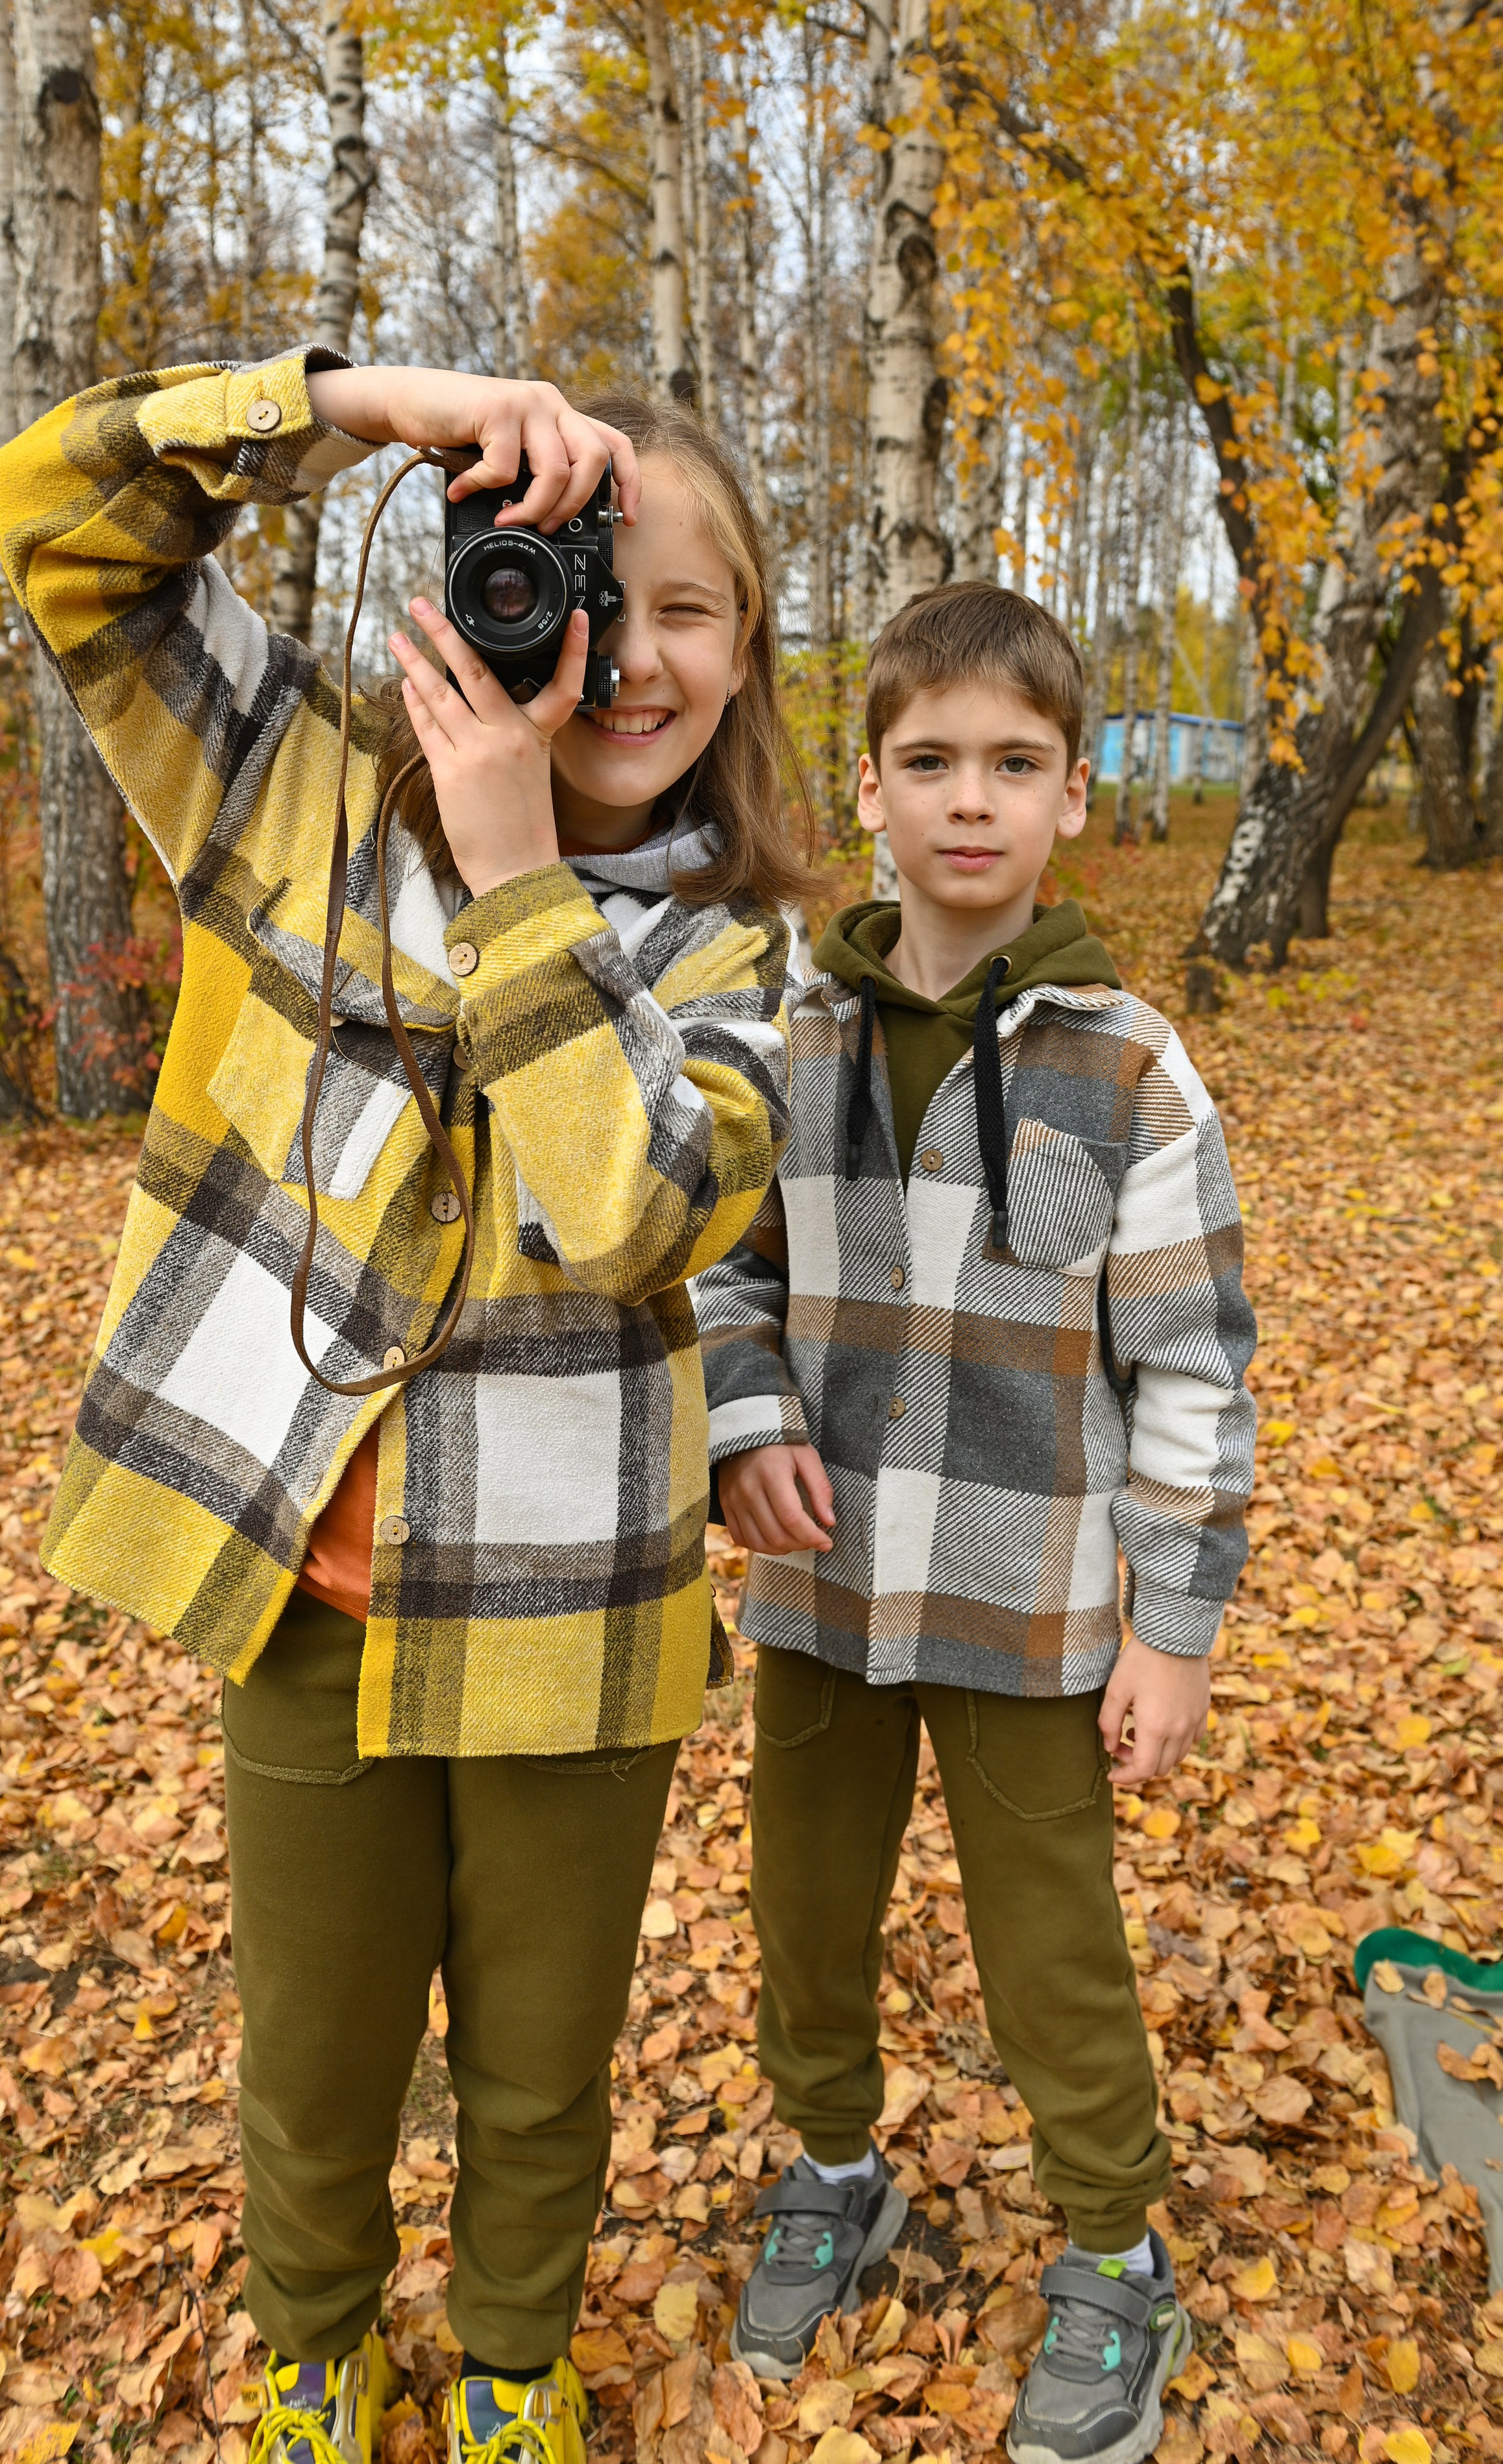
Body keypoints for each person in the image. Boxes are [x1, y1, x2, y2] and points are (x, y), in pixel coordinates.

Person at [0, 358, 810, 2464]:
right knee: (319, 2055)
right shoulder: (295, 802)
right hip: (309, 1603)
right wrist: (355, 398)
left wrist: (527, 872)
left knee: (545, 2065)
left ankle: (517, 2368)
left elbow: (633, 1206)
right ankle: (316, 2356)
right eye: (573, 584)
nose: (617, 654)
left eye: (684, 611)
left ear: (752, 657)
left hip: (581, 1621)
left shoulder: (742, 961)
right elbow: (56, 524)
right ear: (471, 580)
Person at [694, 582, 1256, 2464]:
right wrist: (745, 1425)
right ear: (867, 788)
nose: (970, 801)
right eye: (929, 761)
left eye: (1015, 765)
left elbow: (1191, 1367)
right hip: (826, 1589)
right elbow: (723, 1278)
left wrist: (1173, 1628)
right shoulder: (787, 1037)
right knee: (807, 1917)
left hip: (1032, 1606)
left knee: (1053, 1945)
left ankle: (1115, 2257)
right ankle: (836, 2170)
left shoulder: (1134, 1067)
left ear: (1075, 797)